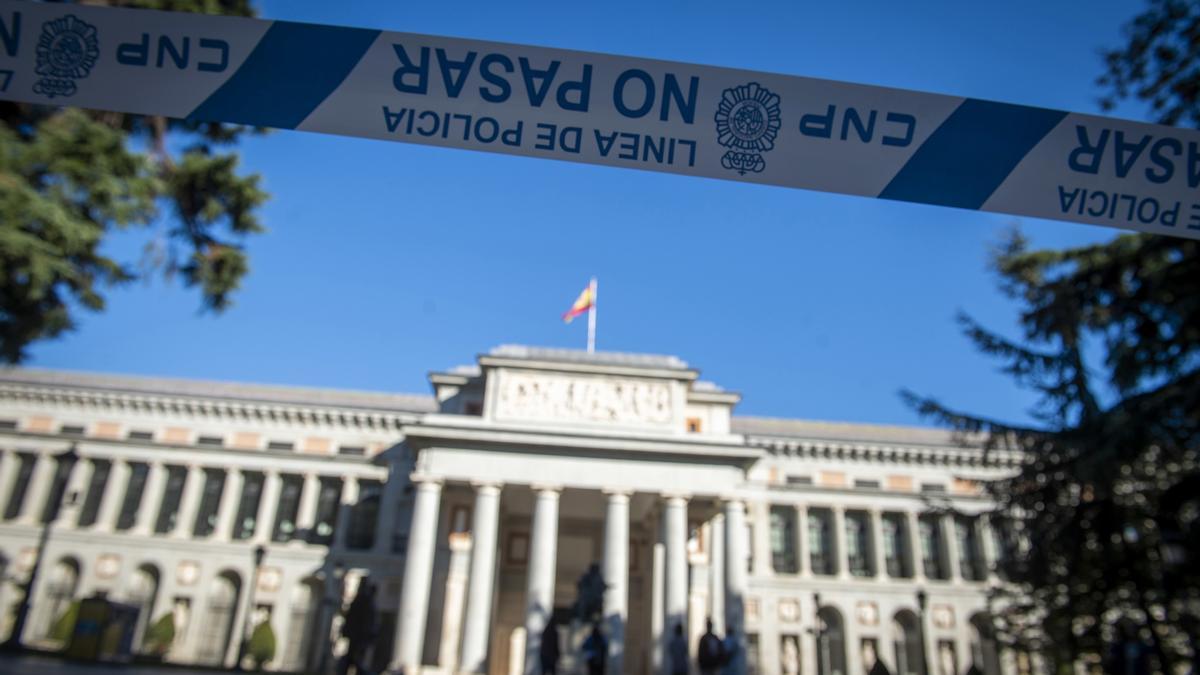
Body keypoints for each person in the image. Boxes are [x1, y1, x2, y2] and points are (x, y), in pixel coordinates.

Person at [338, 579, 379, 675]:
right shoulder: (366, 602)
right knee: (355, 659)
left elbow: (350, 617)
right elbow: (366, 621)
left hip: (359, 636)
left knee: (354, 658)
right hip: (360, 636)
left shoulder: (363, 601)